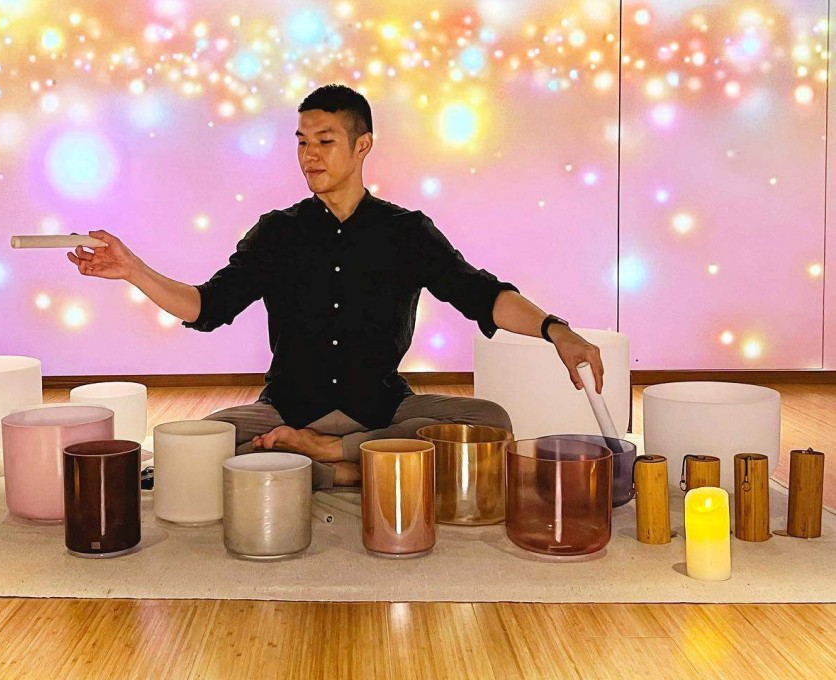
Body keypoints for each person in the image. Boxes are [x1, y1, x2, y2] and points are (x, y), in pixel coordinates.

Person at [68, 84, 604, 489]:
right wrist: (133, 269)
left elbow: (482, 295)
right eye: (302, 142)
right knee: (187, 443)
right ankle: (354, 467)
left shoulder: (405, 231)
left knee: (491, 422)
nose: (309, 155)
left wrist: (557, 330)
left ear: (362, 145)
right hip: (286, 410)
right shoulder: (277, 232)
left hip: (381, 409)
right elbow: (207, 307)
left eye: (325, 141)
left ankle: (327, 458)